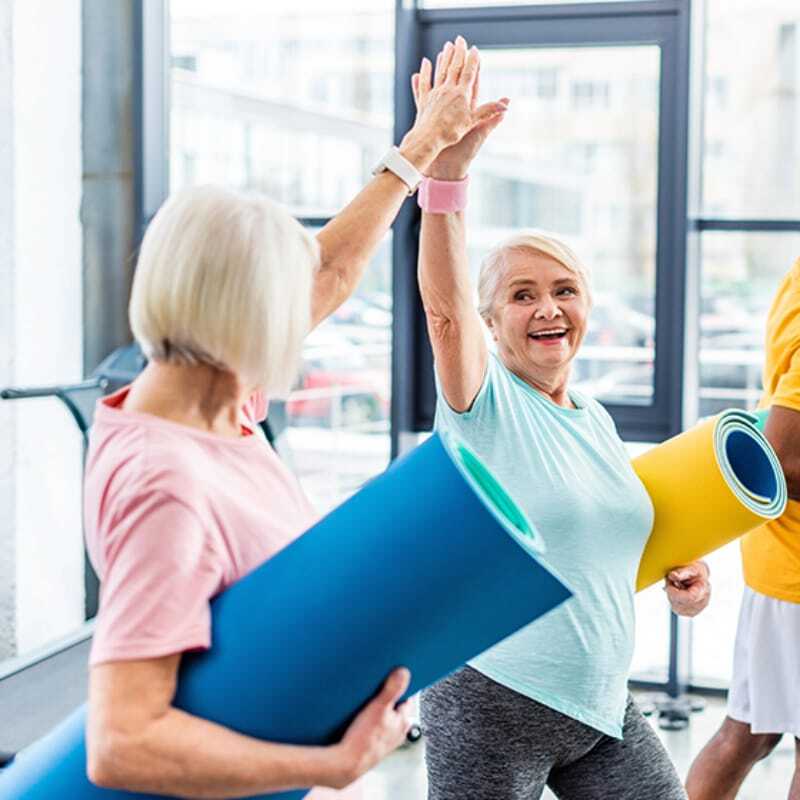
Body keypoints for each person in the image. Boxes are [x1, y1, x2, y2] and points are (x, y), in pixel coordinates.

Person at [83, 43, 509, 799]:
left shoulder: (212, 392)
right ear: (245, 315)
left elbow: (334, 268)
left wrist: (425, 151)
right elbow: (122, 743)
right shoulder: (169, 483)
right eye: (283, 297)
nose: (304, 308)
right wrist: (331, 767)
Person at [414, 35, 711, 800]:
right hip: (490, 691)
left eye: (564, 289)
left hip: (600, 703)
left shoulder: (595, 420)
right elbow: (444, 313)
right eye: (521, 295)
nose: (547, 308)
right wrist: (447, 176)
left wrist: (680, 575)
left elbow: (589, 546)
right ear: (493, 318)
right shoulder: (482, 399)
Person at [686, 259, 800, 800]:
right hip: (795, 571)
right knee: (750, 731)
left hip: (781, 558)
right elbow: (786, 457)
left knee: (750, 730)